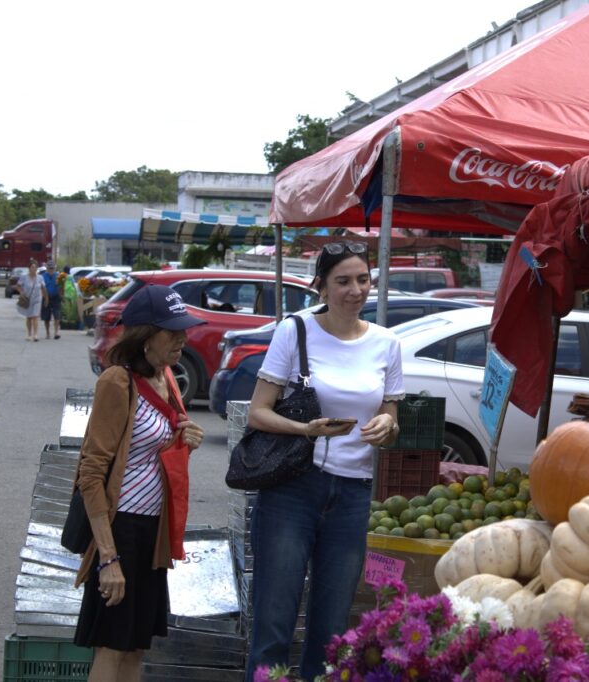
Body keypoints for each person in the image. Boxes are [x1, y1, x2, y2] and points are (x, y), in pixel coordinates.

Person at [245, 241, 403, 681]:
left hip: (353, 493)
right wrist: (305, 430)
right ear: (321, 287)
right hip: (293, 489)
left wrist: (387, 427)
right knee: (274, 625)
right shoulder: (294, 330)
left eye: (362, 280)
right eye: (343, 281)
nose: (355, 290)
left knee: (332, 633)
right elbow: (259, 411)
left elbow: (390, 411)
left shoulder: (387, 343)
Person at [72, 285, 206, 681]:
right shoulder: (117, 382)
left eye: (184, 329)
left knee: (135, 650)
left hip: (153, 531)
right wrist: (109, 559)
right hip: (120, 530)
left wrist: (188, 441)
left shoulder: (168, 377)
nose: (183, 337)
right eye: (172, 331)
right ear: (145, 336)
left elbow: (154, 454)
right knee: (112, 649)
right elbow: (91, 474)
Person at [16, 259, 47, 341]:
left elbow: (43, 288)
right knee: (29, 317)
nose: (34, 269)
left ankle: (35, 335)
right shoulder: (24, 277)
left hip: (37, 299)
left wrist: (46, 298)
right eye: (32, 267)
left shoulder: (40, 277)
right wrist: (21, 293)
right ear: (29, 268)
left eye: (35, 267)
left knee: (35, 316)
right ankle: (29, 334)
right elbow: (18, 286)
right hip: (28, 299)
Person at [41, 260, 64, 339]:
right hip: (46, 297)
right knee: (46, 316)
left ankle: (56, 332)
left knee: (57, 315)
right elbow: (42, 288)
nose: (51, 270)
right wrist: (45, 297)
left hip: (56, 297)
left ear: (54, 269)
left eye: (52, 268)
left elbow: (61, 287)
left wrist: (62, 295)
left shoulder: (58, 276)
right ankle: (47, 332)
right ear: (47, 268)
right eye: (50, 268)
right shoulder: (43, 276)